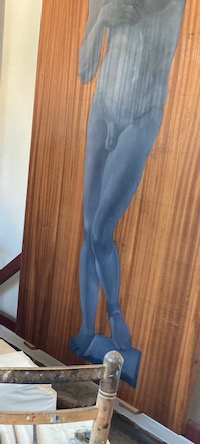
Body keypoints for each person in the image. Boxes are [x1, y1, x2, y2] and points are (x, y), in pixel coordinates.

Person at [69, 0, 185, 384]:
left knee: (101, 231)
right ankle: (87, 329)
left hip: (142, 113)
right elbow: (84, 70)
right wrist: (102, 18)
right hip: (103, 107)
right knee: (89, 229)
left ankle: (115, 312)